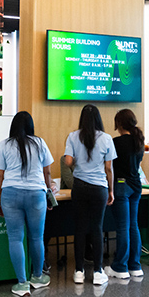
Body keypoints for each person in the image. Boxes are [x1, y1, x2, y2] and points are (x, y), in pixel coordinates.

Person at [0, 112, 56, 297]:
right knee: (37, 237)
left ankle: (22, 284)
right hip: (36, 194)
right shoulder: (40, 143)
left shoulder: (4, 144)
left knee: (15, 238)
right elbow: (48, 174)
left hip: (10, 194)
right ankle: (37, 277)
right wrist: (49, 194)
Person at [63, 104, 116, 286]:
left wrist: (76, 164)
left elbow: (68, 161)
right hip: (99, 188)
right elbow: (109, 168)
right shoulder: (107, 138)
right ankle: (98, 272)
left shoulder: (72, 136)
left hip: (79, 186)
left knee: (80, 228)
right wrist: (111, 190)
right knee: (97, 228)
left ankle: (79, 271)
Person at [106, 109, 145, 280]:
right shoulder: (139, 141)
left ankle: (120, 267)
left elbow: (109, 167)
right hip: (136, 185)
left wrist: (110, 189)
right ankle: (135, 265)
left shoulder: (115, 142)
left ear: (119, 123)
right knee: (133, 225)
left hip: (121, 185)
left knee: (122, 227)